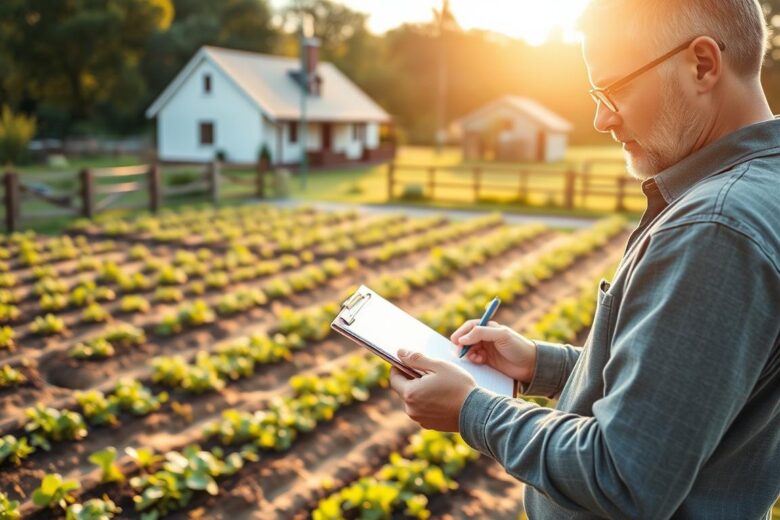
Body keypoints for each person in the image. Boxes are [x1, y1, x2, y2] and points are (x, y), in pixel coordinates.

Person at [388, 0, 780, 518]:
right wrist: (539, 364)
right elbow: (689, 395)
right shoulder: (763, 186)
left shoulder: (714, 228)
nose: (600, 117)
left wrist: (470, 409)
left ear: (702, 64)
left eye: (614, 88)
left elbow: (622, 477)